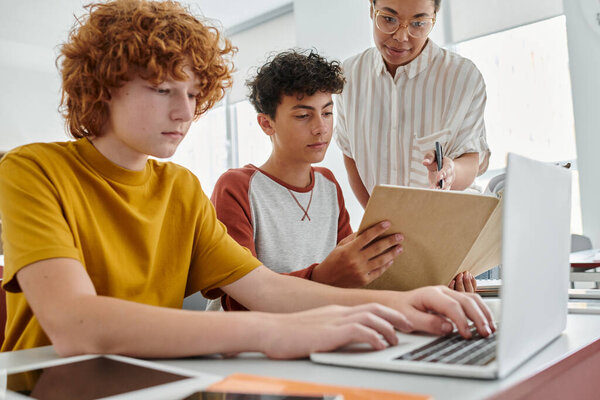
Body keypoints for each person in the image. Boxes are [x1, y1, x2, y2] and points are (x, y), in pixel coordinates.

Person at [0, 0, 493, 358]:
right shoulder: (32, 170)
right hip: (44, 383)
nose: (184, 112)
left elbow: (269, 290)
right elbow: (74, 324)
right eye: (162, 89)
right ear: (102, 87)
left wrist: (406, 305)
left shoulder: (180, 188)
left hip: (156, 378)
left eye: (194, 94)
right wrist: (270, 334)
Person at [210, 49, 475, 313]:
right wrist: (323, 277)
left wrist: (434, 284)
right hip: (244, 343)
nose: (321, 128)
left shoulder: (327, 184)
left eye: (327, 113)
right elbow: (238, 301)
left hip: (314, 331)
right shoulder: (236, 187)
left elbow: (352, 280)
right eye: (304, 116)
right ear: (267, 124)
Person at [335, 0, 490, 290]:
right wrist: (379, 224)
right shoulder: (348, 77)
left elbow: (473, 156)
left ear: (434, 18)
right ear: (371, 8)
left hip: (451, 250)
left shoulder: (463, 77)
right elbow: (350, 156)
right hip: (383, 249)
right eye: (389, 19)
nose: (401, 37)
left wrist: (451, 171)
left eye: (418, 23)